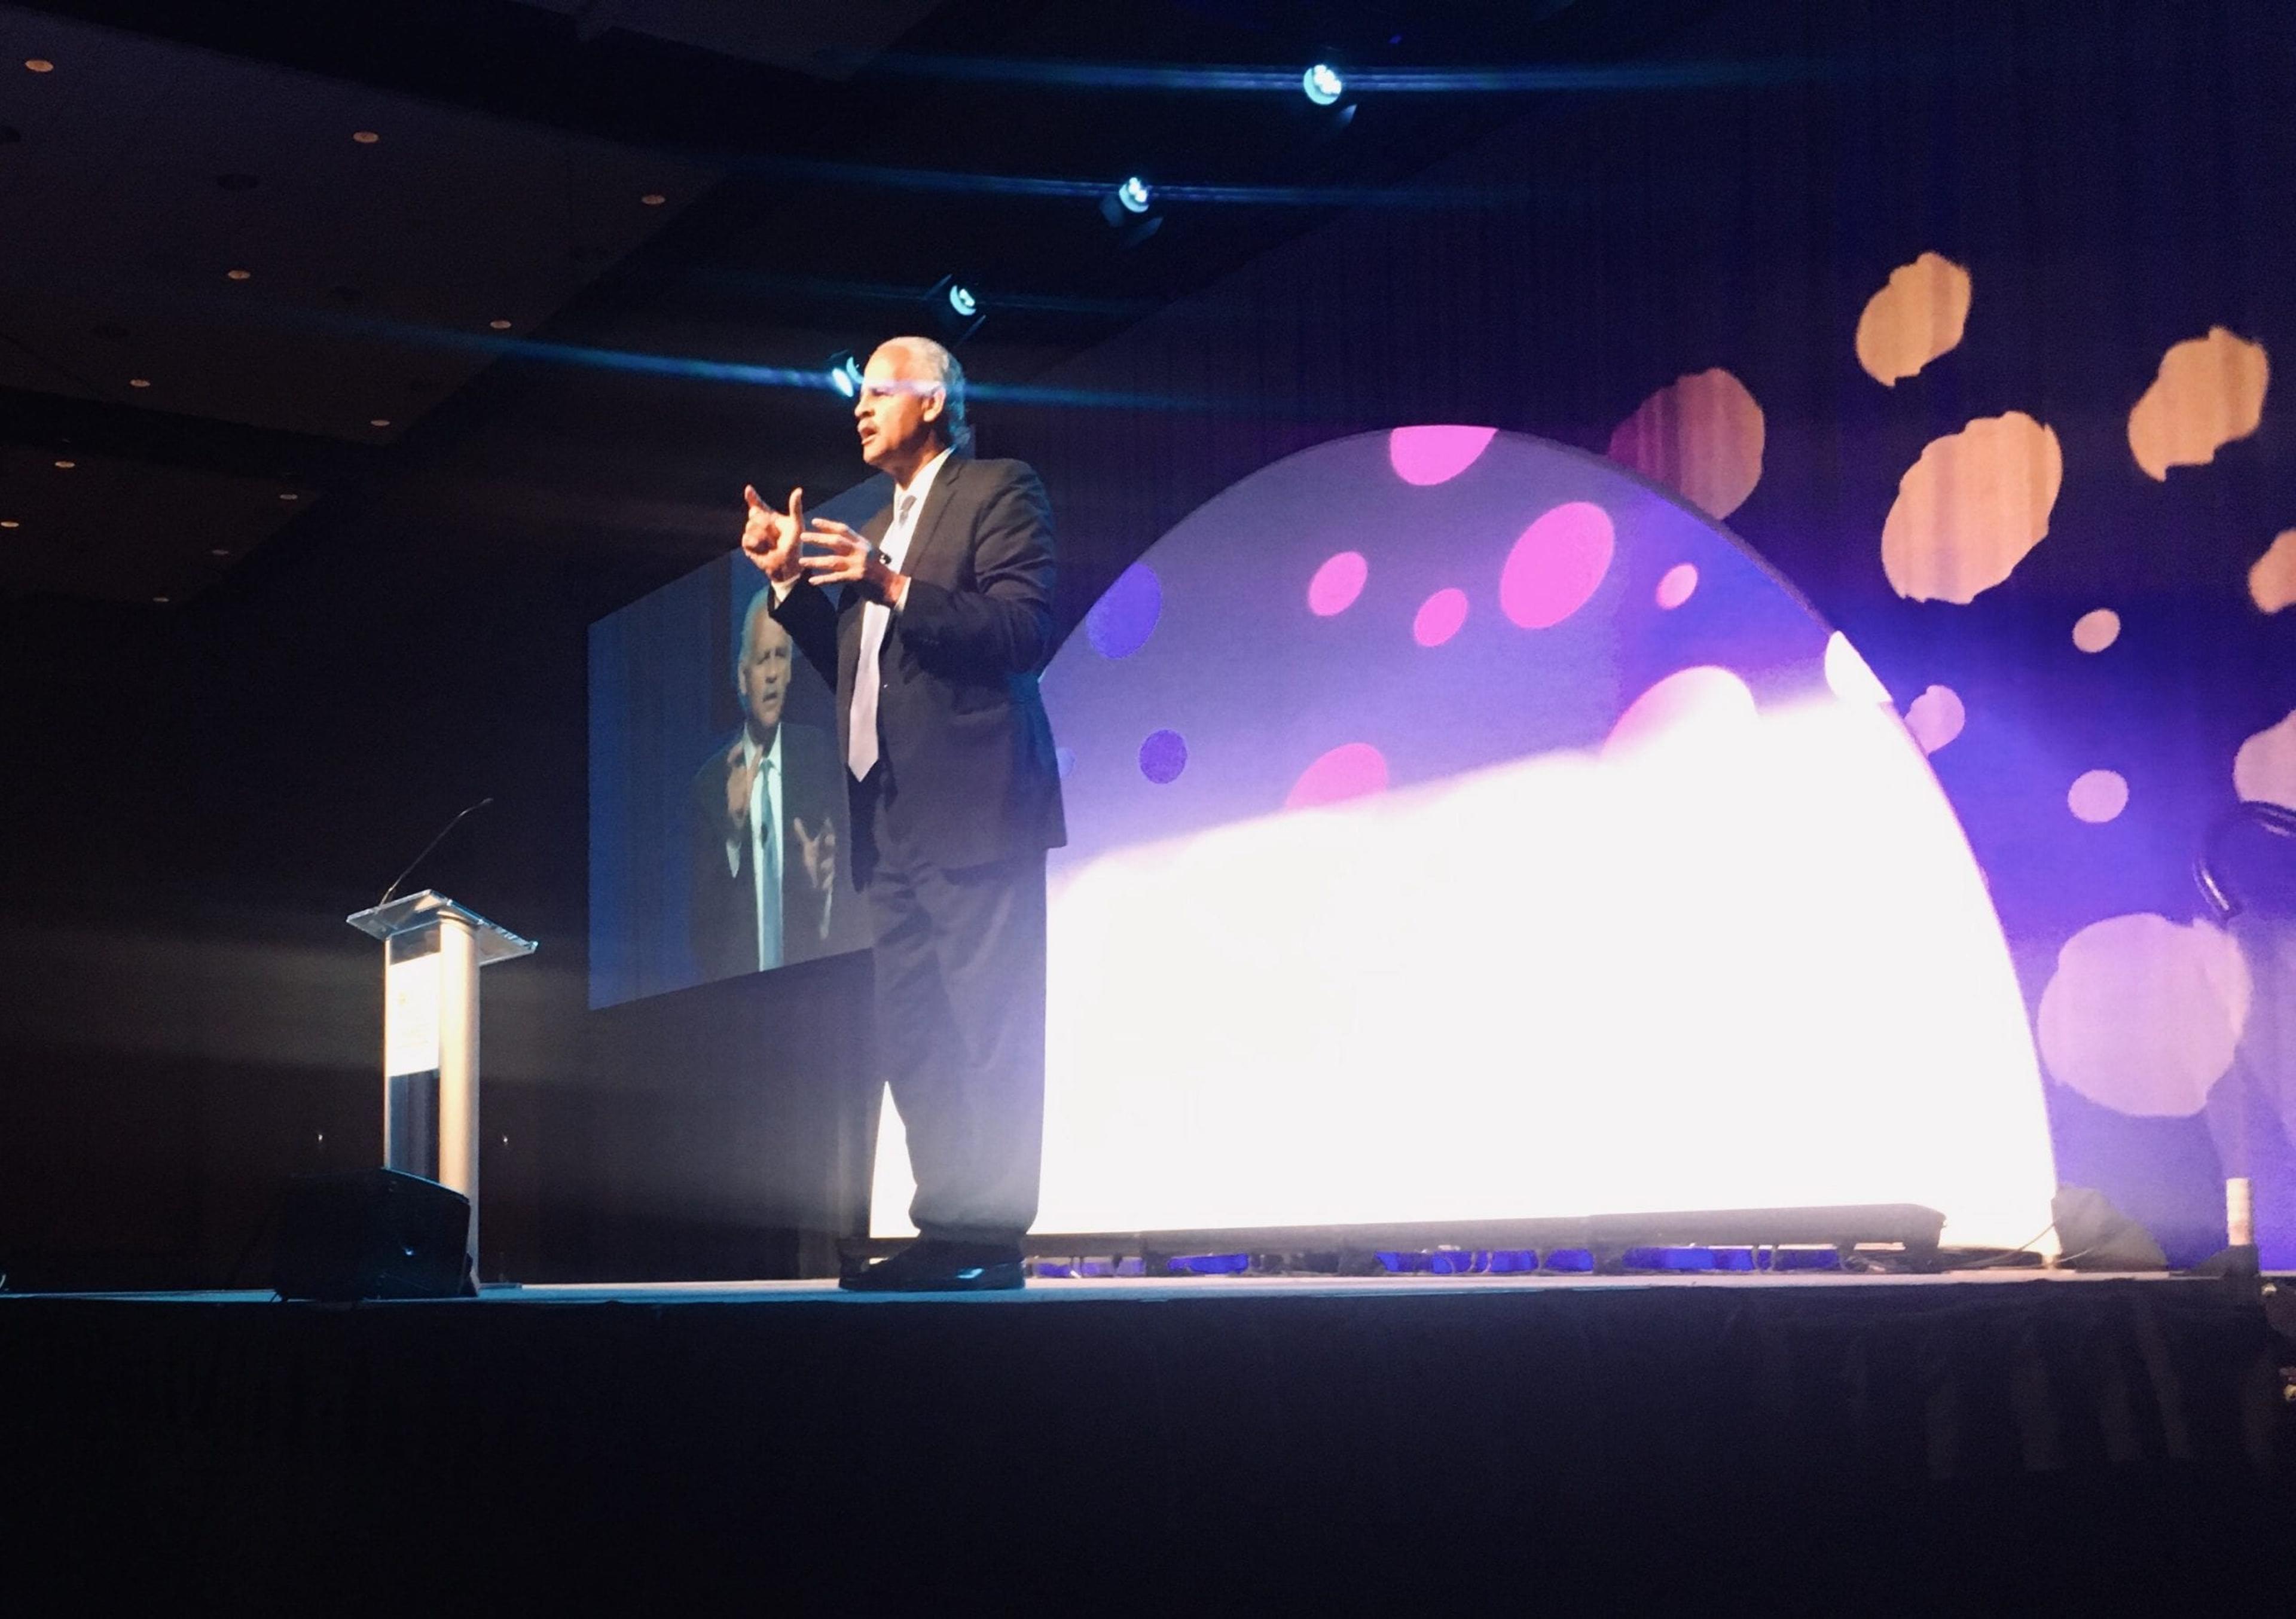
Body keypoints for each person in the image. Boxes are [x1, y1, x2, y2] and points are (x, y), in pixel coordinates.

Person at [740, 335, 1064, 1292]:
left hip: (977, 806)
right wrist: (792, 581)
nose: (860, 406)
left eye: (879, 389)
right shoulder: (879, 523)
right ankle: (948, 1230)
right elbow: (857, 663)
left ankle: (992, 1242)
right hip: (891, 820)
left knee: (989, 1024)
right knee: (915, 1032)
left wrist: (892, 583)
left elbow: (1023, 631)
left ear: (933, 399)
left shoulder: (1000, 489)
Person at [687, 591, 855, 984]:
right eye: (763, 659)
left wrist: (824, 893)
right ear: (742, 676)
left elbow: (849, 897)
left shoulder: (818, 756)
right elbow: (702, 936)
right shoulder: (709, 785)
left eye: (781, 656)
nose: (774, 673)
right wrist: (732, 833)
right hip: (739, 1006)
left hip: (817, 989)